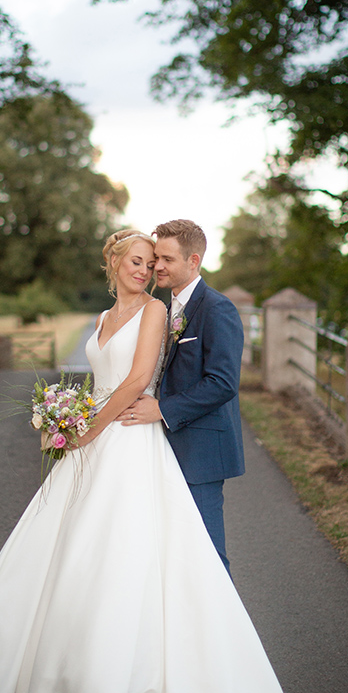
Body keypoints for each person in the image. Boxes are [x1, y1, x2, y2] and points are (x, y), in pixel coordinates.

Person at [0, 230, 316, 693]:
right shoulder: (103, 319)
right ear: (113, 263)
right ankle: (53, 668)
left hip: (132, 437)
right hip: (99, 437)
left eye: (155, 260)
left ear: (189, 260)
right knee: (74, 552)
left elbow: (141, 381)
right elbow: (100, 382)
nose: (147, 268)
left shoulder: (168, 311)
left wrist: (87, 430)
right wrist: (63, 420)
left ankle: (205, 664)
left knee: (182, 558)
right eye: (139, 260)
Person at [118, 219, 244, 572]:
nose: (157, 266)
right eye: (156, 257)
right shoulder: (164, 309)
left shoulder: (217, 309)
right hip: (161, 448)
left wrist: (162, 409)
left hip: (200, 453)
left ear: (194, 262)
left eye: (167, 259)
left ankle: (224, 628)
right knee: (171, 554)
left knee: (207, 557)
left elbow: (222, 383)